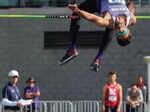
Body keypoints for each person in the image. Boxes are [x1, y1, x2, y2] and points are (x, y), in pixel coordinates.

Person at [60, 0, 136, 72]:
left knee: (76, 14)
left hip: (99, 2)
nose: (120, 30)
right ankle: (98, 58)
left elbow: (93, 18)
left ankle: (73, 48)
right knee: (111, 27)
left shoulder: (108, 21)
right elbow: (131, 5)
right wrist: (129, 5)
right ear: (128, 29)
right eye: (123, 32)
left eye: (119, 34)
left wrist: (78, 11)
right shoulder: (131, 19)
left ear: (116, 33)